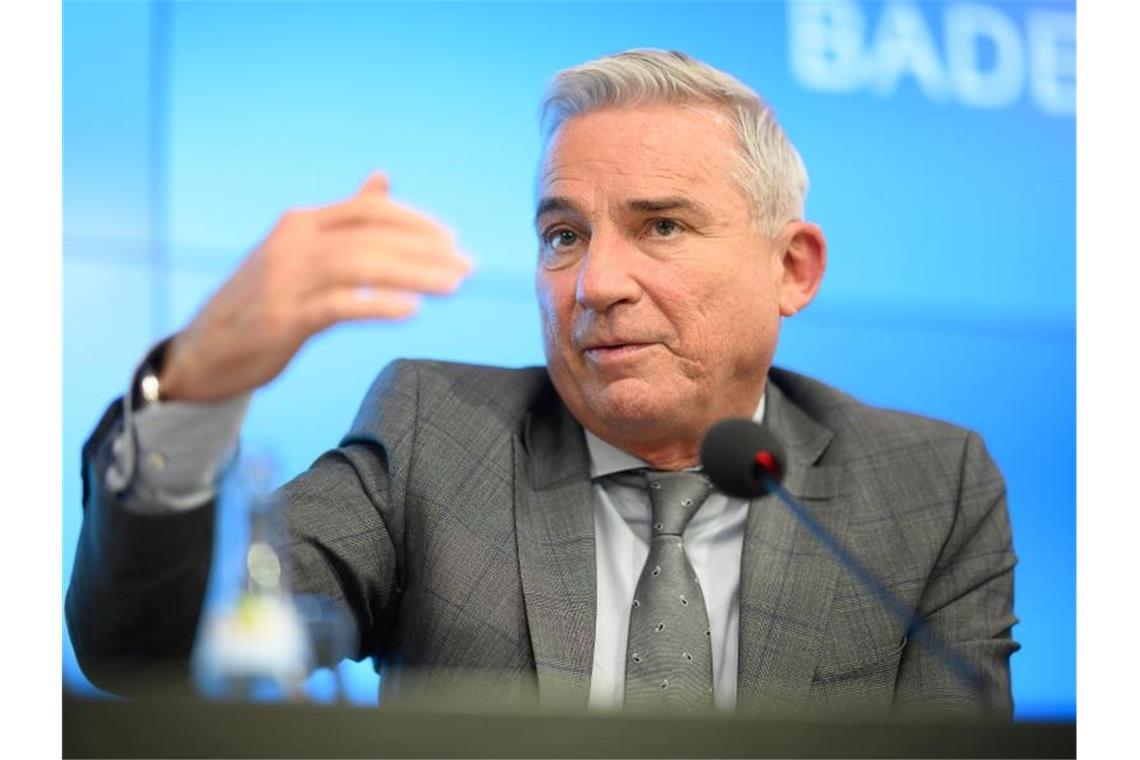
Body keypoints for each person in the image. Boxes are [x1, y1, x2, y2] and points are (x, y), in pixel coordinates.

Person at [67, 49, 1017, 716]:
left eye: (663, 227)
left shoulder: (927, 487)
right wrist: (192, 393)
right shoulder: (437, 433)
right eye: (564, 235)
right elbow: (148, 655)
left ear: (792, 270)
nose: (596, 285)